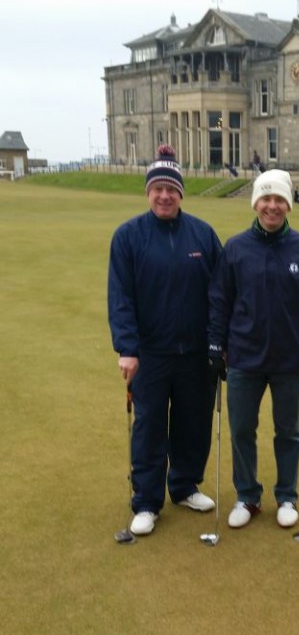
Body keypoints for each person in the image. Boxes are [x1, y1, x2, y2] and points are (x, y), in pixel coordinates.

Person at [207, 169, 299, 530]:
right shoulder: (235, 248)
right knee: (241, 430)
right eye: (266, 199)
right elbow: (220, 300)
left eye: (279, 199)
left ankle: (286, 496)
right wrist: (214, 344)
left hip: (289, 358)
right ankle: (247, 496)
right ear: (256, 203)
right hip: (243, 358)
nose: (272, 206)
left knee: (288, 431)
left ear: (288, 204)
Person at [108, 145, 222, 536]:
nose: (164, 195)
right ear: (147, 192)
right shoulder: (128, 237)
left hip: (194, 354)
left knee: (193, 423)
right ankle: (146, 501)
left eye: (171, 189)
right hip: (150, 354)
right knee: (150, 427)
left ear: (181, 193)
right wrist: (127, 347)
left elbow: (220, 295)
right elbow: (120, 297)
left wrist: (218, 343)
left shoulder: (203, 235)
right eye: (157, 188)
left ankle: (186, 486)